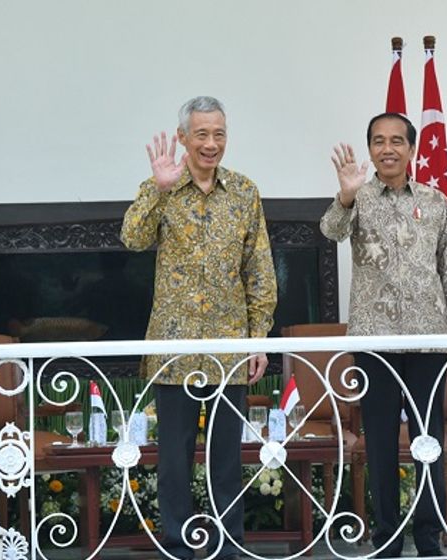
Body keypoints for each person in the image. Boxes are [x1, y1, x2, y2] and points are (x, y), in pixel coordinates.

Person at [121, 95, 277, 560]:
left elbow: (259, 272)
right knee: (173, 461)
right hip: (174, 350)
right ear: (184, 138)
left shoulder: (245, 192)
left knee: (227, 461)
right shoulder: (164, 187)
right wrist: (158, 188)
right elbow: (132, 238)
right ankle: (178, 546)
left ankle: (228, 547)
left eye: (219, 134)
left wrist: (258, 339)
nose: (211, 144)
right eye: (202, 134)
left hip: (229, 349)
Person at [320, 112, 447, 557]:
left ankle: (429, 538)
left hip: (428, 341)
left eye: (396, 141)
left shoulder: (436, 200)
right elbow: (330, 231)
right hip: (376, 344)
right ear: (369, 148)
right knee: (382, 444)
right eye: (378, 141)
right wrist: (346, 197)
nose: (387, 149)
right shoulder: (358, 198)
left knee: (428, 443)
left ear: (412, 149)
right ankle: (386, 537)